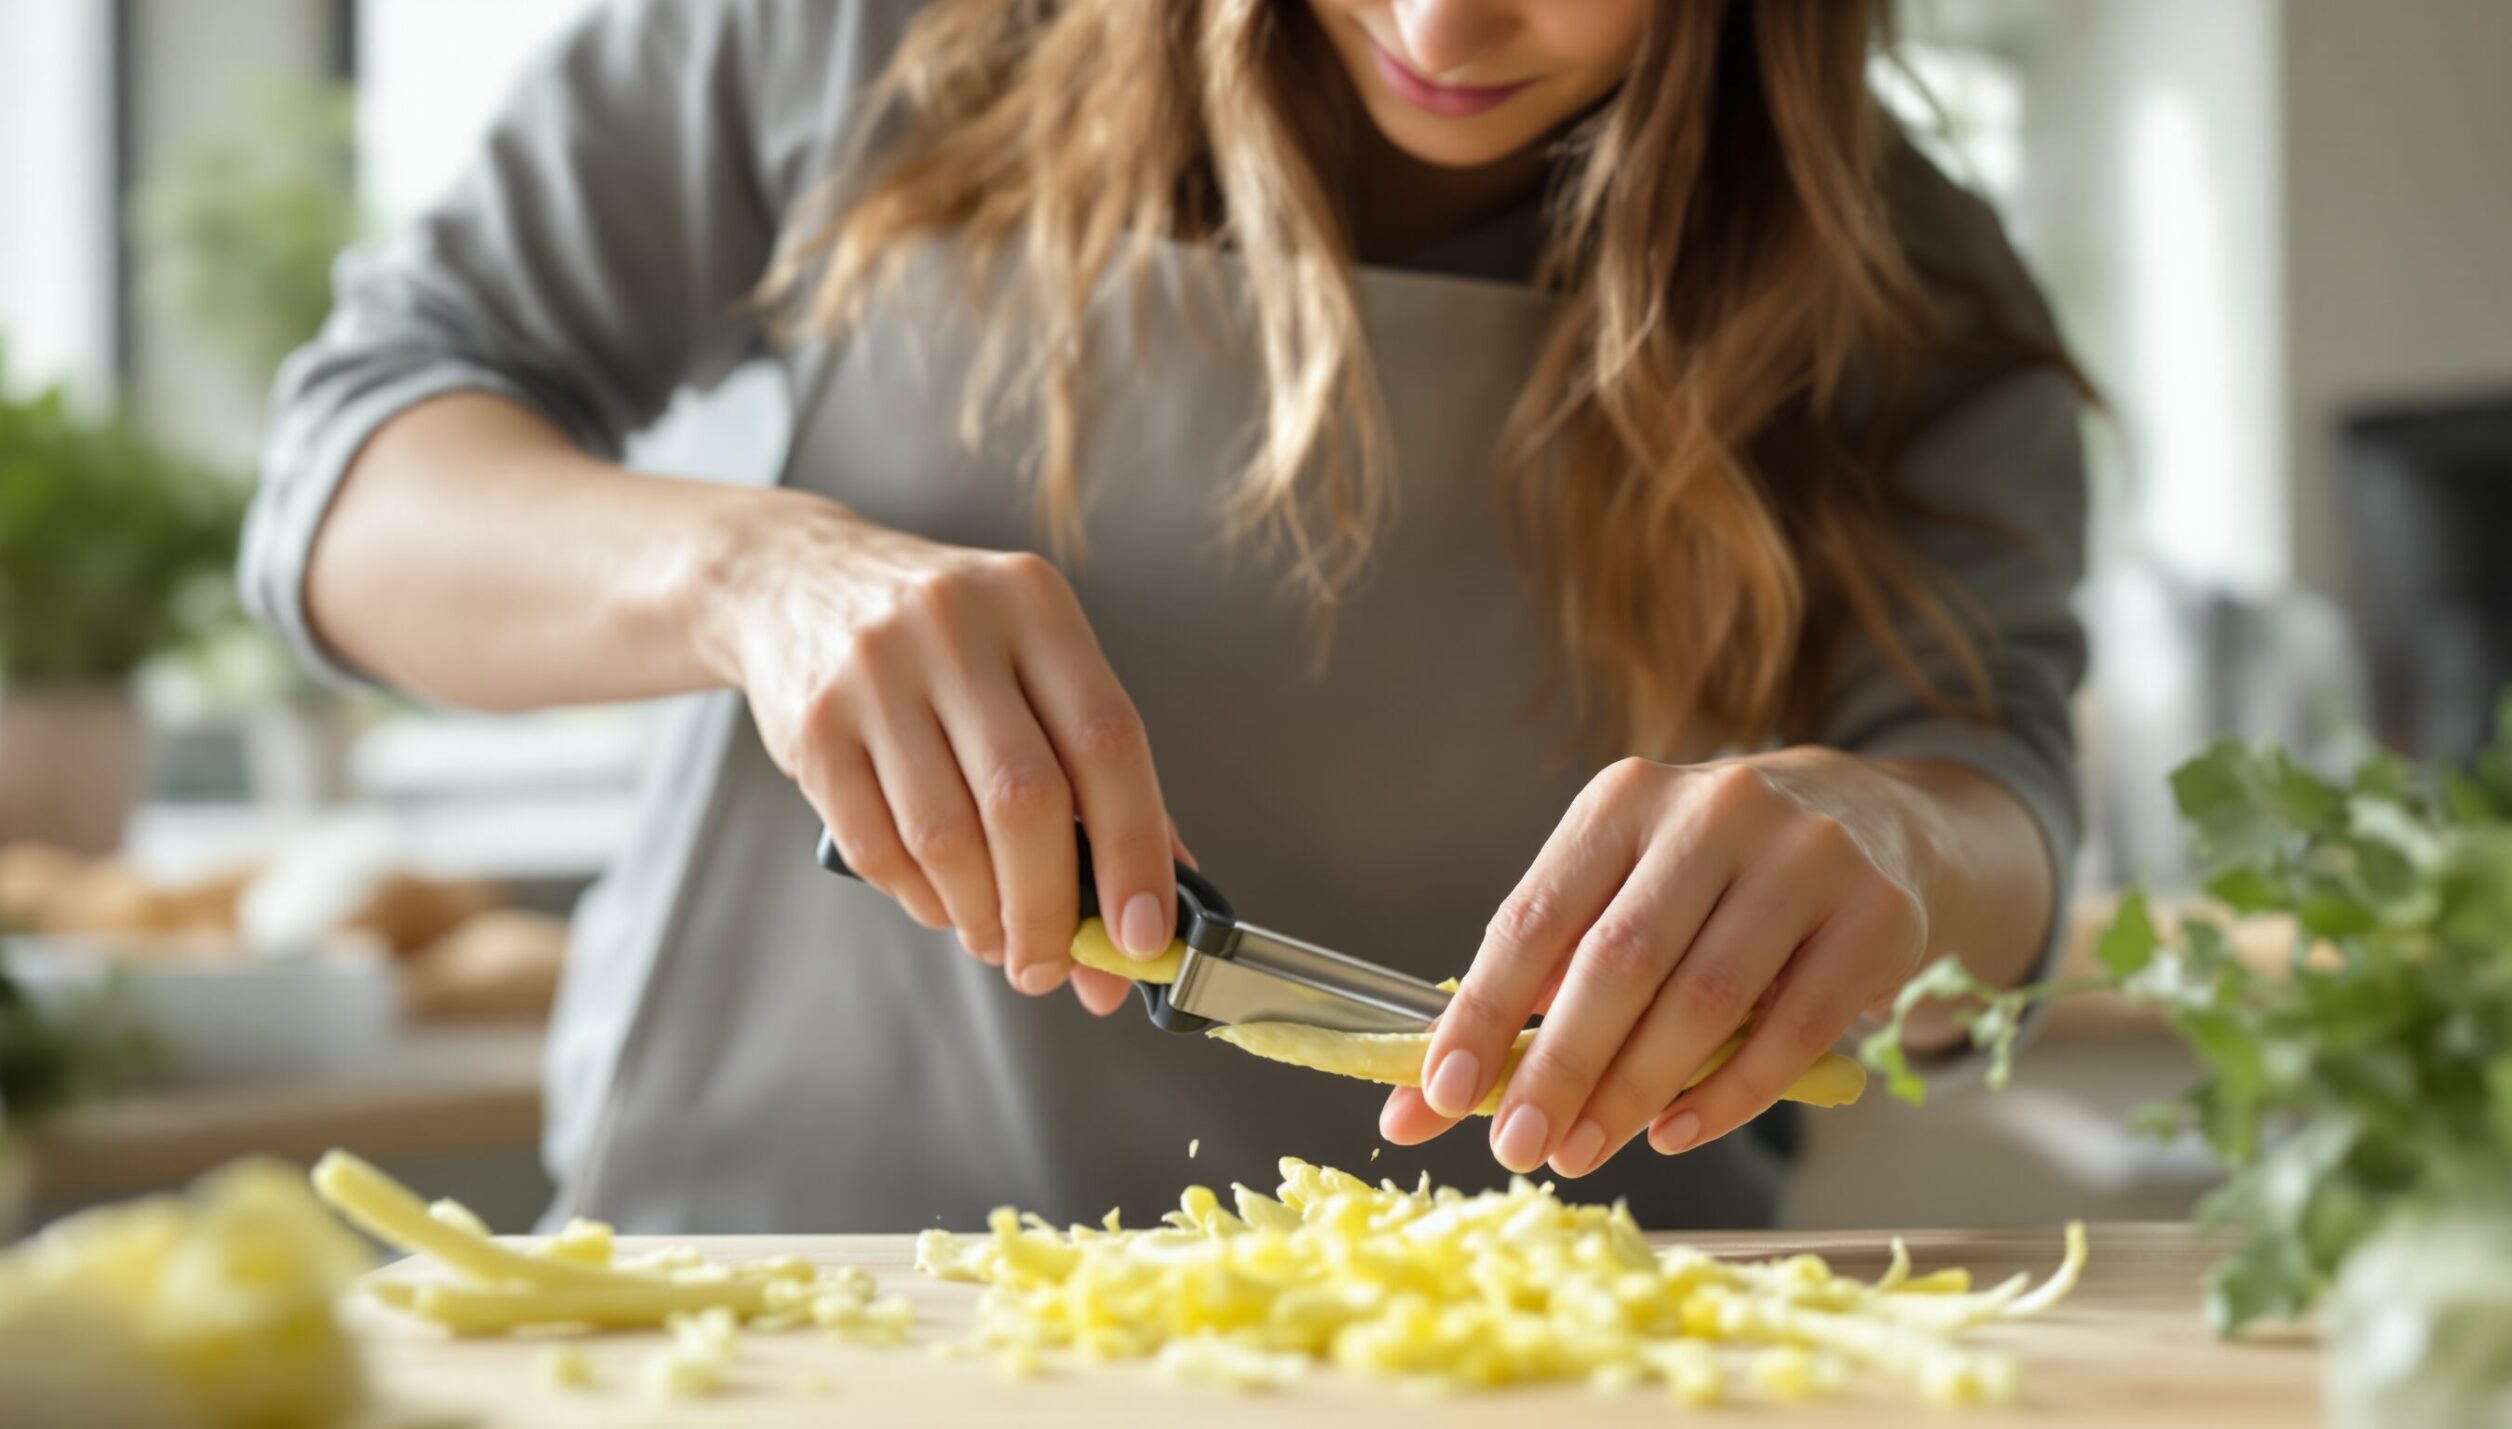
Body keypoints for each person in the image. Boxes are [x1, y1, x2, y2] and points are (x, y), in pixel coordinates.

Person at [245, 0, 2088, 1232]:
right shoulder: (862, 38)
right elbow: (343, 491)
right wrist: (752, 576)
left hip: (1544, 1359)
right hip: (768, 1294)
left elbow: (1992, 806)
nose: (1445, 25)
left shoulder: (1910, 284)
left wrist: (1906, 839)